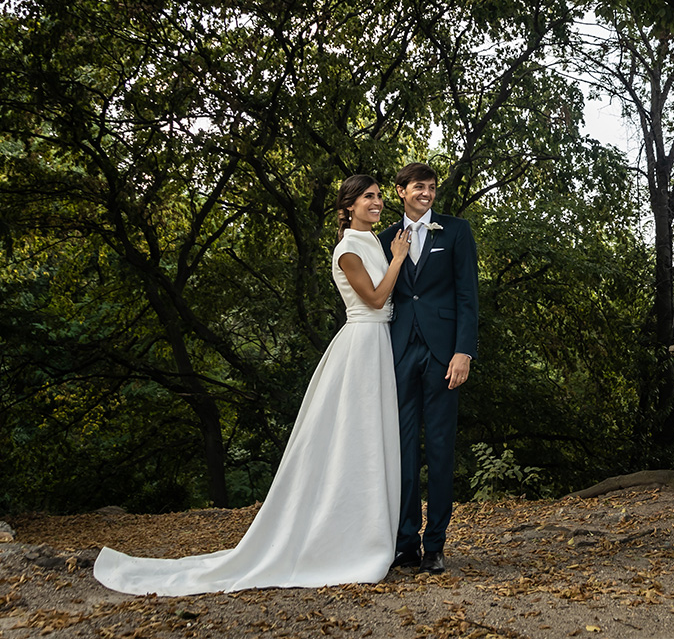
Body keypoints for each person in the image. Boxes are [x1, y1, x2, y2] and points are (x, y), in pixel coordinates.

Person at [94, 175, 409, 596]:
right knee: (354, 437)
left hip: (380, 345)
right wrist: (399, 259)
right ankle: (345, 542)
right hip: (362, 344)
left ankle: (369, 532)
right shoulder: (348, 249)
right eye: (368, 197)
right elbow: (373, 299)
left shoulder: (373, 241)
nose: (377, 202)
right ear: (348, 206)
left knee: (371, 440)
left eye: (378, 196)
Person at [378, 163, 478, 575]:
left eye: (432, 188)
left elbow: (468, 296)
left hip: (443, 356)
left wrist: (463, 352)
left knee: (439, 450)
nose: (427, 193)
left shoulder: (455, 231)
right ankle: (405, 545)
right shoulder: (383, 239)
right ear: (400, 191)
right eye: (419, 187)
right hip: (398, 352)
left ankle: (435, 544)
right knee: (400, 453)